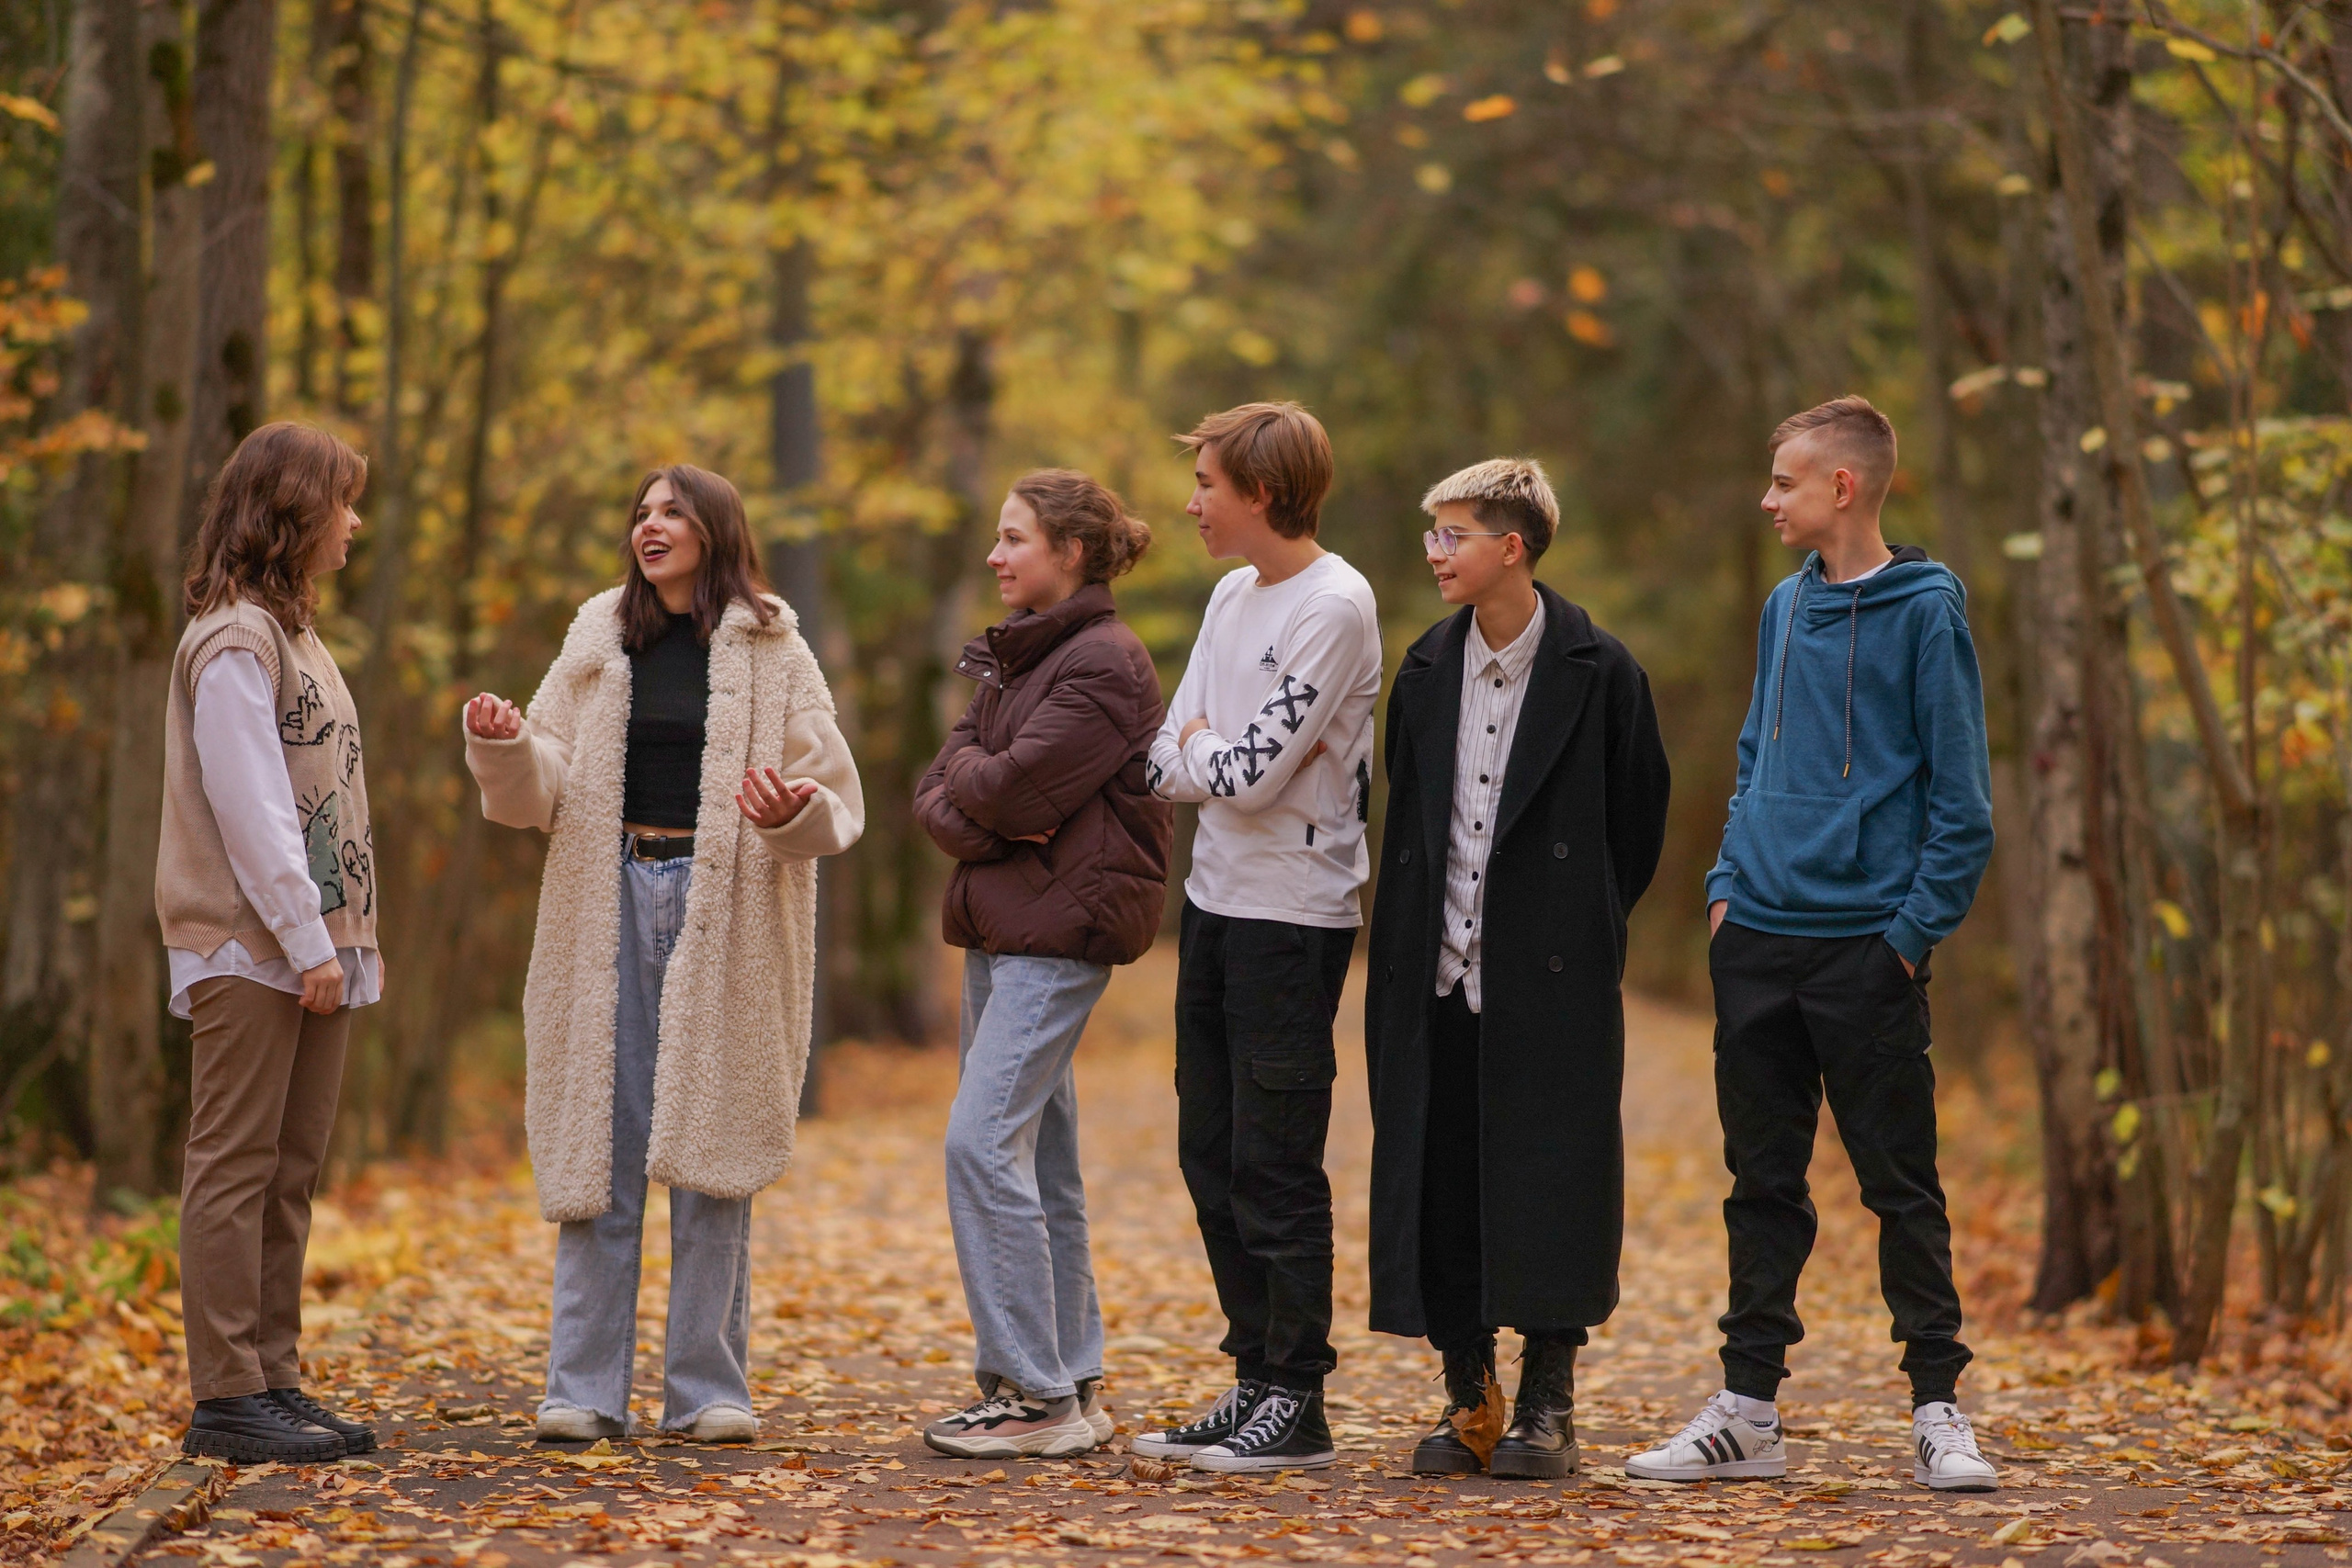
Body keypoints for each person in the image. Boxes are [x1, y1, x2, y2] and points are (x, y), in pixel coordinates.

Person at [1625, 396, 1998, 1492]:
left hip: (1865, 951)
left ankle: (1938, 1410)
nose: (1767, 496)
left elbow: (1961, 801)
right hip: (1758, 942)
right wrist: (1726, 888)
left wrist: (1907, 933)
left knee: (1901, 1188)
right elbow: (1752, 753)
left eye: (1784, 480)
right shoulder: (1783, 607)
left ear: (1843, 487)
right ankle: (1747, 1415)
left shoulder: (1929, 614)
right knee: (1760, 1185)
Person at [462, 463, 863, 1443]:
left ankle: (709, 1392)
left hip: (723, 907)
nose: (651, 524)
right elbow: (543, 785)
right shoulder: (599, 636)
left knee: (711, 1147)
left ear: (714, 528)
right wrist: (507, 746)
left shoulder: (773, 644)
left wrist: (792, 813)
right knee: (601, 1139)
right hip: (605, 901)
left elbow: (832, 794)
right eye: (640, 510)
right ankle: (582, 1388)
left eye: (672, 511)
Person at [1364, 459, 1670, 1480]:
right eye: (1430, 533)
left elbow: (1637, 824)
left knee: (1552, 1183)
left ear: (1513, 547)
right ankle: (1469, 1400)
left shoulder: (1602, 669)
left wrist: (1573, 934)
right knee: (1441, 1180)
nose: (1432, 552)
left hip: (1550, 978)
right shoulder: (1419, 670)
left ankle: (1547, 1404)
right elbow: (1410, 816)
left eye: (1450, 534)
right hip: (1435, 973)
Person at [1129, 402, 1381, 1474]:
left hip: (1295, 915)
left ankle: (1298, 1399)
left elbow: (1241, 772)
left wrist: (1203, 751)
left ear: (1262, 494)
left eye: (1208, 485)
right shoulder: (1234, 593)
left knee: (1275, 1162)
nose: (1192, 504)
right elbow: (1163, 757)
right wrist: (1200, 748)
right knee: (1210, 1153)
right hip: (1216, 905)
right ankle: (1251, 1384)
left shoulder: (1337, 604)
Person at [910, 469, 1172, 1460]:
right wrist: (982, 805)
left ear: (1068, 553)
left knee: (979, 1146)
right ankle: (1073, 1379)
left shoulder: (1102, 663)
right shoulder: (1023, 658)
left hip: (1055, 939)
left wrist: (983, 800)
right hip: (1004, 928)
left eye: (1013, 538)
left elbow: (1008, 795)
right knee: (1040, 1161)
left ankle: (1033, 1395)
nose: (995, 554)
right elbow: (945, 786)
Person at [162, 422, 384, 1463]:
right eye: (343, 501)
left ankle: (273, 1378)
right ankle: (224, 1394)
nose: (355, 522)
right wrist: (307, 942)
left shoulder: (298, 635)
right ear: (293, 510)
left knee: (289, 1168)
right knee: (235, 1163)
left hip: (312, 947)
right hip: (252, 947)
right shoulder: (232, 640)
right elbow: (252, 809)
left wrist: (336, 944)